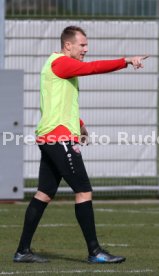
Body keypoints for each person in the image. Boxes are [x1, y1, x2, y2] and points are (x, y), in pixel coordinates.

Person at [13, 26, 148, 263]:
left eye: (86, 45)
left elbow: (60, 104)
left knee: (44, 194)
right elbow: (93, 68)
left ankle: (22, 251)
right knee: (84, 191)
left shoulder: (59, 67)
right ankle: (95, 252)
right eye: (82, 45)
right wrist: (126, 60)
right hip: (59, 138)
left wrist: (80, 125)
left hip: (51, 136)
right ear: (68, 45)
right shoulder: (61, 63)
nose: (86, 49)